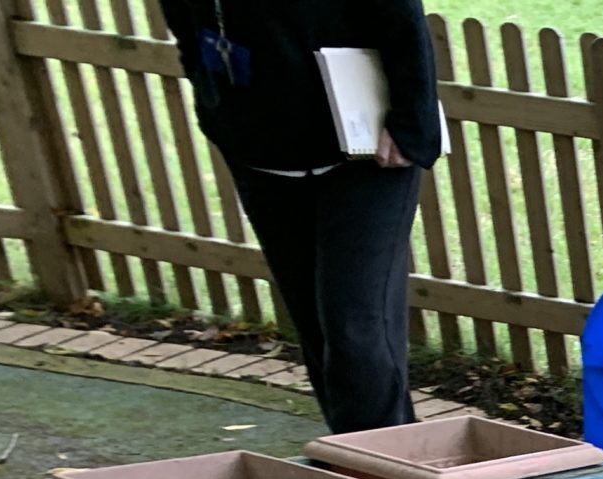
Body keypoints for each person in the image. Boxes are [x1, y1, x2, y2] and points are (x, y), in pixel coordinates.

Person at [158, 0, 441, 433]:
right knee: (317, 327)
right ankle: (366, 453)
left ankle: (376, 461)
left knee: (356, 328)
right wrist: (215, 106)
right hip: (261, 157)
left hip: (367, 152)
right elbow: (188, 26)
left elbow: (402, 22)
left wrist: (410, 124)